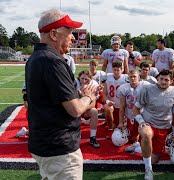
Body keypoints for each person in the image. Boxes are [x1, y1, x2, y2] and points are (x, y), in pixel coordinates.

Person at [25, 9, 97, 180]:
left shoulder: (36, 57)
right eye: (70, 31)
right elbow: (75, 109)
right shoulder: (53, 61)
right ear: (54, 34)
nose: (73, 37)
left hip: (45, 144)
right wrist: (89, 97)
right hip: (59, 148)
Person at [132, 69, 174, 180]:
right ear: (157, 79)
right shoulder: (147, 89)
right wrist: (141, 121)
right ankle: (148, 169)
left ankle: (138, 147)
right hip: (148, 123)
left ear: (171, 81)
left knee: (155, 159)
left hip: (163, 127)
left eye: (166, 80)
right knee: (146, 134)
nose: (163, 82)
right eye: (161, 79)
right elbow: (135, 109)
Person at [117, 70, 150, 151]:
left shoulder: (146, 85)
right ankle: (137, 145)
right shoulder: (123, 88)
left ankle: (140, 147)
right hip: (130, 116)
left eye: (134, 76)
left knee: (146, 136)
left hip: (144, 115)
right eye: (130, 77)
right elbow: (122, 107)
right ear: (128, 78)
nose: (132, 78)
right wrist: (121, 122)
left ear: (138, 77)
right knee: (132, 138)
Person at [76, 70, 101, 148]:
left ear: (90, 80)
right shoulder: (74, 83)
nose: (83, 81)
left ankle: (92, 137)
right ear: (79, 77)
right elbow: (73, 102)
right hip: (76, 108)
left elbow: (93, 104)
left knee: (94, 111)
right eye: (82, 78)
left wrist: (84, 95)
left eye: (86, 79)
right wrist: (81, 93)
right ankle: (75, 134)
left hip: (86, 109)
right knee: (73, 110)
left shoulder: (94, 85)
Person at [101, 61, 128, 130]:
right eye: (114, 70)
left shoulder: (126, 78)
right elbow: (104, 94)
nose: (116, 72)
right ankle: (110, 127)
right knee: (108, 108)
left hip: (123, 104)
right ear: (112, 69)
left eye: (118, 70)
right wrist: (107, 101)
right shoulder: (106, 77)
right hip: (112, 102)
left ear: (122, 70)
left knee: (124, 126)